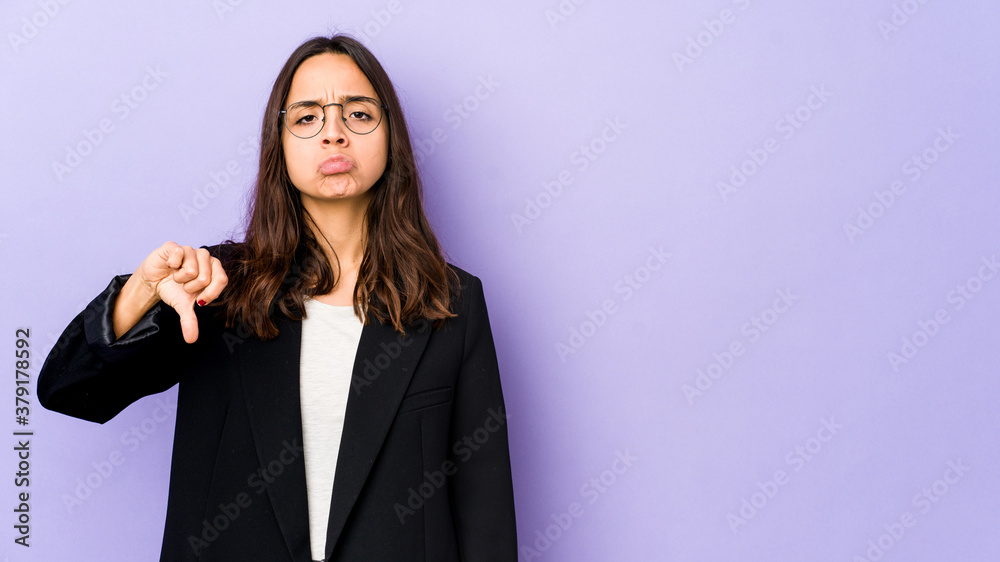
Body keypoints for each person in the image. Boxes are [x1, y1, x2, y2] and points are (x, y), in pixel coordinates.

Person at [38, 34, 517, 561]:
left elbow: (485, 517)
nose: (333, 133)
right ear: (279, 144)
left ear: (391, 137)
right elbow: (67, 391)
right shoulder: (218, 284)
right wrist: (140, 294)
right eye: (308, 118)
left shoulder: (452, 301)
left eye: (358, 114)